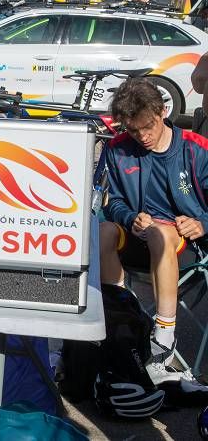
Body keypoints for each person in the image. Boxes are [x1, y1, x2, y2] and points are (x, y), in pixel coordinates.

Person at [99, 78, 208, 380]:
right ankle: (123, 321)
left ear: (161, 111)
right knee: (104, 231)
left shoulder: (197, 149)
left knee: (161, 232)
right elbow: (112, 203)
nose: (142, 136)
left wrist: (202, 222)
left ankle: (164, 339)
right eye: (132, 130)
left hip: (184, 244)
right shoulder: (117, 149)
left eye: (147, 126)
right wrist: (130, 216)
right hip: (136, 237)